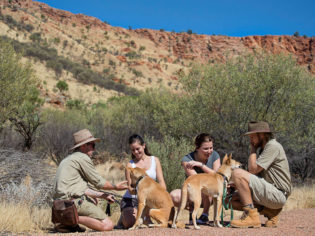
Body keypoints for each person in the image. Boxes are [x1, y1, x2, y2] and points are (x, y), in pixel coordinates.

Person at [53, 129, 128, 232]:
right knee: (108, 225)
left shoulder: (69, 159)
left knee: (92, 201)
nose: (94, 149)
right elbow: (98, 182)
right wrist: (115, 187)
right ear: (83, 146)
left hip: (59, 205)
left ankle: (67, 223)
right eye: (92, 145)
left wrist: (103, 196)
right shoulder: (82, 158)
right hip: (72, 203)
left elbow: (81, 189)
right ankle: (69, 220)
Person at [230, 121, 292, 228]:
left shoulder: (273, 146)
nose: (251, 140)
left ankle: (251, 217)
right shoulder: (264, 148)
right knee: (229, 200)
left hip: (278, 194)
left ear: (262, 135)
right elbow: (254, 175)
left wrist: (253, 150)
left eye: (252, 137)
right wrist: (238, 185)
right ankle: (270, 211)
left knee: (237, 173)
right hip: (270, 191)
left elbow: (253, 170)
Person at [117, 134, 167, 229]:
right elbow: (131, 188)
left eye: (138, 148)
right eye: (132, 150)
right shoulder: (130, 165)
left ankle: (145, 217)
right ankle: (124, 217)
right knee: (130, 223)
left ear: (144, 145)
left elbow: (162, 183)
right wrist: (140, 192)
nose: (135, 152)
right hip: (132, 199)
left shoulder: (155, 160)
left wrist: (161, 197)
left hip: (150, 199)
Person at [170, 133, 221, 224]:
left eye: (211, 148)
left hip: (210, 193)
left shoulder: (215, 155)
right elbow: (196, 179)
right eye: (205, 149)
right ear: (197, 148)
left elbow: (218, 177)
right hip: (194, 191)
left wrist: (201, 165)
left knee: (207, 186)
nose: (209, 151)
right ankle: (191, 210)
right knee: (174, 195)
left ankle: (205, 215)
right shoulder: (187, 159)